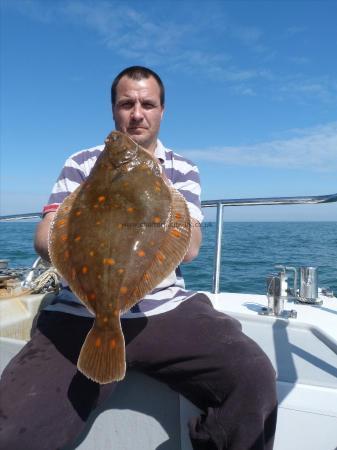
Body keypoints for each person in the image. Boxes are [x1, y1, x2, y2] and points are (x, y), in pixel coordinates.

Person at [0, 66, 278, 450]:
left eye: (147, 104)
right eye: (126, 103)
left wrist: (163, 194)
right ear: (113, 110)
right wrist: (82, 220)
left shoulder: (182, 168)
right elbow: (45, 239)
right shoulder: (82, 163)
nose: (136, 113)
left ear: (162, 110)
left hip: (163, 310)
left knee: (254, 378)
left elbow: (192, 247)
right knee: (12, 431)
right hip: (80, 312)